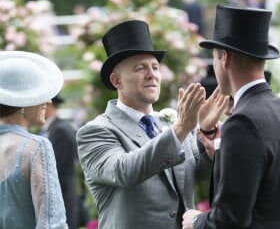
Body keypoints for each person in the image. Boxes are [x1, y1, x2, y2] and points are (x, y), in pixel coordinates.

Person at [76, 20, 227, 229]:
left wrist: (207, 137)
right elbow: (125, 171)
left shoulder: (171, 120)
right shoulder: (95, 131)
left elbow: (197, 172)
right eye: (140, 68)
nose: (152, 75)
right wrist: (181, 129)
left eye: (155, 67)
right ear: (116, 81)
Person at [182, 4, 280, 228]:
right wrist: (218, 150)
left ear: (224, 58)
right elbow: (270, 180)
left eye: (214, 59)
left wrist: (195, 221)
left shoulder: (242, 121)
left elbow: (229, 220)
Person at [0, 50, 67, 228]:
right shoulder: (36, 146)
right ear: (22, 100)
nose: (49, 101)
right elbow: (53, 223)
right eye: (39, 92)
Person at [39, 94, 83, 229]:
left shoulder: (61, 130)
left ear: (49, 105)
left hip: (62, 197)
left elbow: (55, 168)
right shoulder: (51, 128)